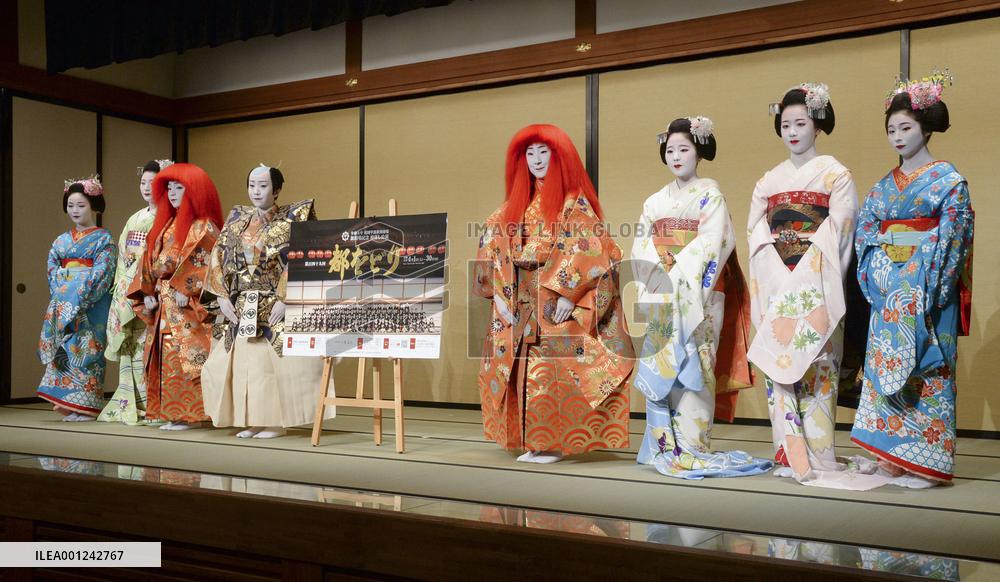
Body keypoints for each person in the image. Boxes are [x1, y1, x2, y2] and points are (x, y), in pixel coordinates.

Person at [747, 84, 886, 489]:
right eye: (786, 124)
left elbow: (841, 230)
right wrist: (777, 272)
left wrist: (806, 274)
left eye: (801, 123)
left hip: (817, 284)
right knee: (781, 368)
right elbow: (755, 229)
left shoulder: (835, 174)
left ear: (817, 126)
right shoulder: (768, 180)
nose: (792, 131)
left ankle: (821, 455)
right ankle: (788, 453)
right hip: (776, 280)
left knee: (820, 366)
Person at [473, 124, 634, 464]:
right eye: (529, 153)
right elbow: (492, 240)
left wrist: (570, 294)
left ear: (558, 155)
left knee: (552, 369)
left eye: (543, 152)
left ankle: (554, 442)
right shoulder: (515, 205)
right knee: (522, 368)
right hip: (519, 299)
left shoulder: (574, 203)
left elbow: (592, 248)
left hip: (553, 298)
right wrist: (499, 293)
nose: (536, 160)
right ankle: (532, 440)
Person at [851, 71, 973, 488]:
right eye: (891, 130)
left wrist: (916, 281)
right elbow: (866, 234)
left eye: (905, 128)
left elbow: (954, 235)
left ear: (925, 127)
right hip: (890, 290)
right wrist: (886, 276)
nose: (898, 137)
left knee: (926, 370)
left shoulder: (949, 182)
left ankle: (926, 458)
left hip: (928, 292)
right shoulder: (882, 188)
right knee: (886, 368)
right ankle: (889, 455)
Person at [631, 117, 770, 479]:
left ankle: (692, 444)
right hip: (664, 293)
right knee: (663, 362)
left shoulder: (712, 195)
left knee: (696, 363)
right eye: (671, 150)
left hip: (701, 296)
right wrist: (658, 276)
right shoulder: (654, 201)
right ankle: (663, 445)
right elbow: (642, 244)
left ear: (699, 153)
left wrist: (676, 272)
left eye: (684, 149)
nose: (676, 157)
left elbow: (714, 243)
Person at [201, 165, 332, 439]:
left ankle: (274, 421)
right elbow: (218, 258)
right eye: (251, 185)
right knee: (247, 366)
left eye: (263, 185)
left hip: (274, 304)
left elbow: (306, 256)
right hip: (241, 304)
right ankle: (252, 419)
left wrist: (287, 298)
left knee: (271, 366)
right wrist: (222, 296)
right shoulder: (237, 220)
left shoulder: (294, 218)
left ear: (277, 190)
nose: (256, 191)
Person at [127, 163, 223, 430]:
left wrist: (186, 288)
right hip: (163, 300)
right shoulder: (165, 224)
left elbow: (209, 261)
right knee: (165, 356)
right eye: (168, 187)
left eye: (179, 187)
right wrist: (146, 291)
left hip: (187, 305)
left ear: (195, 191)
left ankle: (193, 414)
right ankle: (172, 412)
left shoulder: (204, 226)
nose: (172, 193)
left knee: (189, 357)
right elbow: (148, 261)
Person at [98, 159, 172, 424]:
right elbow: (122, 256)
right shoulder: (135, 218)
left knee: (150, 348)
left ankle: (154, 405)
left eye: (154, 183)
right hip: (128, 289)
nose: (147, 188)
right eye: (143, 182)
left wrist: (148, 287)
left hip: (151, 290)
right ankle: (132, 403)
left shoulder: (169, 218)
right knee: (131, 349)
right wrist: (121, 288)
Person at [37, 176, 116, 420]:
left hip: (90, 305)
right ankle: (68, 404)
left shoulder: (104, 239)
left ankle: (87, 405)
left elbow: (103, 272)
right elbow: (52, 270)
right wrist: (65, 294)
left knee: (86, 351)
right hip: (64, 301)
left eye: (80, 205)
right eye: (71, 205)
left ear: (94, 205)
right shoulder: (61, 241)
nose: (75, 210)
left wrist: (78, 296)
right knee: (66, 352)